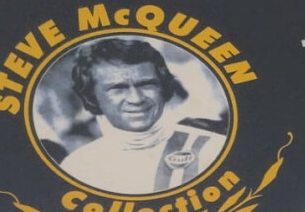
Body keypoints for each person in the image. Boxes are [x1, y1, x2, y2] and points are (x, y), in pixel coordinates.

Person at [60, 38, 227, 194]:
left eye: (147, 85)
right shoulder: (78, 166)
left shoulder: (212, 149)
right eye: (118, 89)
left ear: (163, 87)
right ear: (92, 96)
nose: (136, 99)